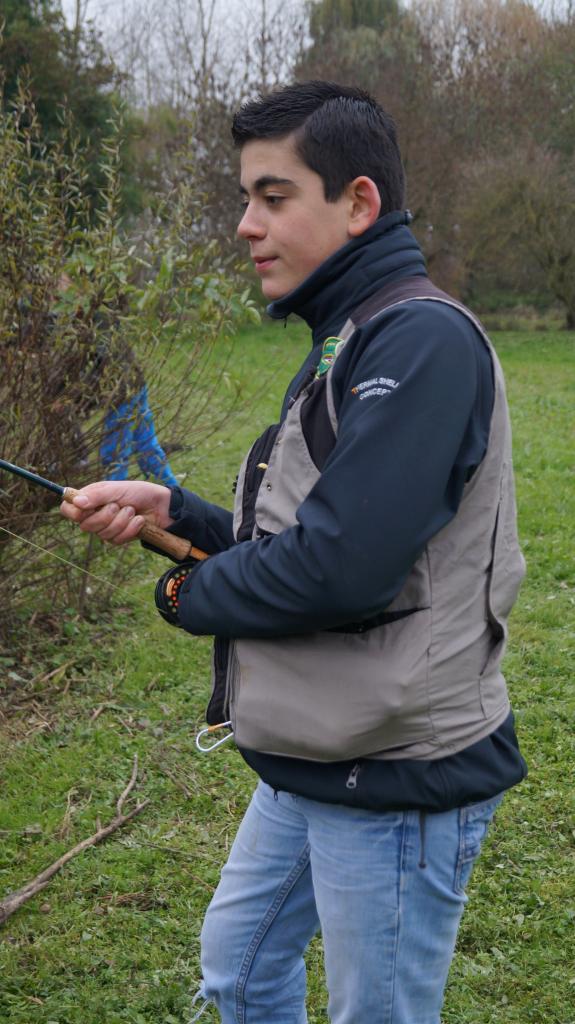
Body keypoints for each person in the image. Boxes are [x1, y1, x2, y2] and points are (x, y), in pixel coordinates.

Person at [60, 81, 527, 1024]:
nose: (245, 225)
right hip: (316, 757)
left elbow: (339, 569)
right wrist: (176, 510)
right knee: (237, 971)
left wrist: (183, 595)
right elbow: (305, 538)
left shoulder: (420, 341)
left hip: (396, 772)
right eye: (246, 198)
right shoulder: (347, 336)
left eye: (272, 198)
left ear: (356, 203)